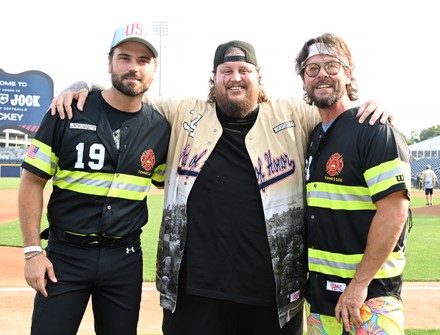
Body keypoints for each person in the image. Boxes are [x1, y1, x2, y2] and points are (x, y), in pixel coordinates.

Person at [50, 40, 390, 335]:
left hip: (271, 293)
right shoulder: (185, 111)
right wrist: (83, 85)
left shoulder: (292, 114)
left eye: (244, 69)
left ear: (259, 77)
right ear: (214, 78)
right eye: (226, 70)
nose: (235, 77)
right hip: (194, 293)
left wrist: (370, 107)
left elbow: (336, 109)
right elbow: (127, 94)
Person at [18, 22, 170, 335]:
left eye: (143, 61)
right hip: (65, 257)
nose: (133, 68)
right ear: (110, 62)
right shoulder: (69, 110)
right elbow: (32, 181)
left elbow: (168, 181)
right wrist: (33, 252)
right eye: (125, 58)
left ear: (154, 69)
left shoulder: (160, 128)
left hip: (124, 260)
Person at [295, 33, 411, 334]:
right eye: (312, 68)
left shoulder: (374, 130)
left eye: (332, 66)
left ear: (348, 73)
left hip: (369, 299)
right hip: (321, 299)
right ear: (304, 80)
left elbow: (394, 212)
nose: (322, 74)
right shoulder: (312, 136)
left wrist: (359, 285)